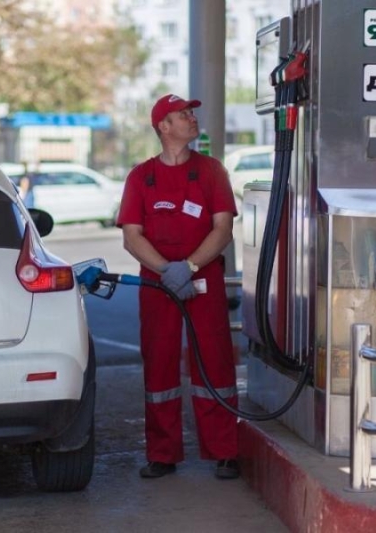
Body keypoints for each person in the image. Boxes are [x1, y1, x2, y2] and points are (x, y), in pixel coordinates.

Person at [116, 94, 240, 480]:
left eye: (191, 113)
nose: (191, 118)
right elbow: (131, 236)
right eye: (182, 114)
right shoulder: (140, 177)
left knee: (214, 359)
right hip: (158, 283)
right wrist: (166, 271)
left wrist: (188, 267)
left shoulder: (212, 171)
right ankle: (162, 453)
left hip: (203, 277)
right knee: (159, 362)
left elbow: (223, 229)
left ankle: (225, 451)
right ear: (164, 127)